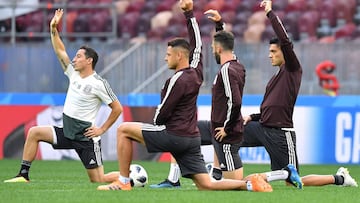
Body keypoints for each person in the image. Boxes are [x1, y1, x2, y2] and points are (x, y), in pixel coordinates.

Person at [97, 0, 272, 192]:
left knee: (123, 129)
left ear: (180, 56)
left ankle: (123, 182)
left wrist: (157, 123)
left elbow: (162, 113)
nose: (165, 58)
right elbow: (197, 45)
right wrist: (190, 14)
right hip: (191, 138)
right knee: (206, 185)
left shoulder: (178, 79)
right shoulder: (196, 72)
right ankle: (249, 184)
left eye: (168, 54)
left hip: (175, 135)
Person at [240, 0, 357, 188]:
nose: (269, 55)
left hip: (281, 134)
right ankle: (220, 173)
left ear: (284, 53)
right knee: (229, 135)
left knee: (293, 183)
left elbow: (285, 41)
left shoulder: (293, 69)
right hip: (263, 128)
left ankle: (339, 179)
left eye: (273, 51)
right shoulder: (275, 78)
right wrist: (252, 117)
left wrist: (270, 13)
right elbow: (272, 109)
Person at [4, 8, 123, 183]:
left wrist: (102, 129)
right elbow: (60, 50)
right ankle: (23, 175)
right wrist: (53, 28)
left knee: (98, 180)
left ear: (89, 60)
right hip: (67, 133)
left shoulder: (99, 83)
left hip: (85, 137)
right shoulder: (73, 73)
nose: (74, 59)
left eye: (79, 56)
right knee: (34, 132)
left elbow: (117, 108)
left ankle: (130, 178)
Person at [150, 8, 248, 188]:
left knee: (238, 184)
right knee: (180, 130)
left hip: (225, 130)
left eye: (213, 48)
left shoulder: (228, 70)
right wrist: (219, 25)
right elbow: (225, 44)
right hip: (216, 126)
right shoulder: (236, 65)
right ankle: (174, 179)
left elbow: (235, 102)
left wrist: (226, 127)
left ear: (218, 49)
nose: (212, 51)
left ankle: (268, 176)